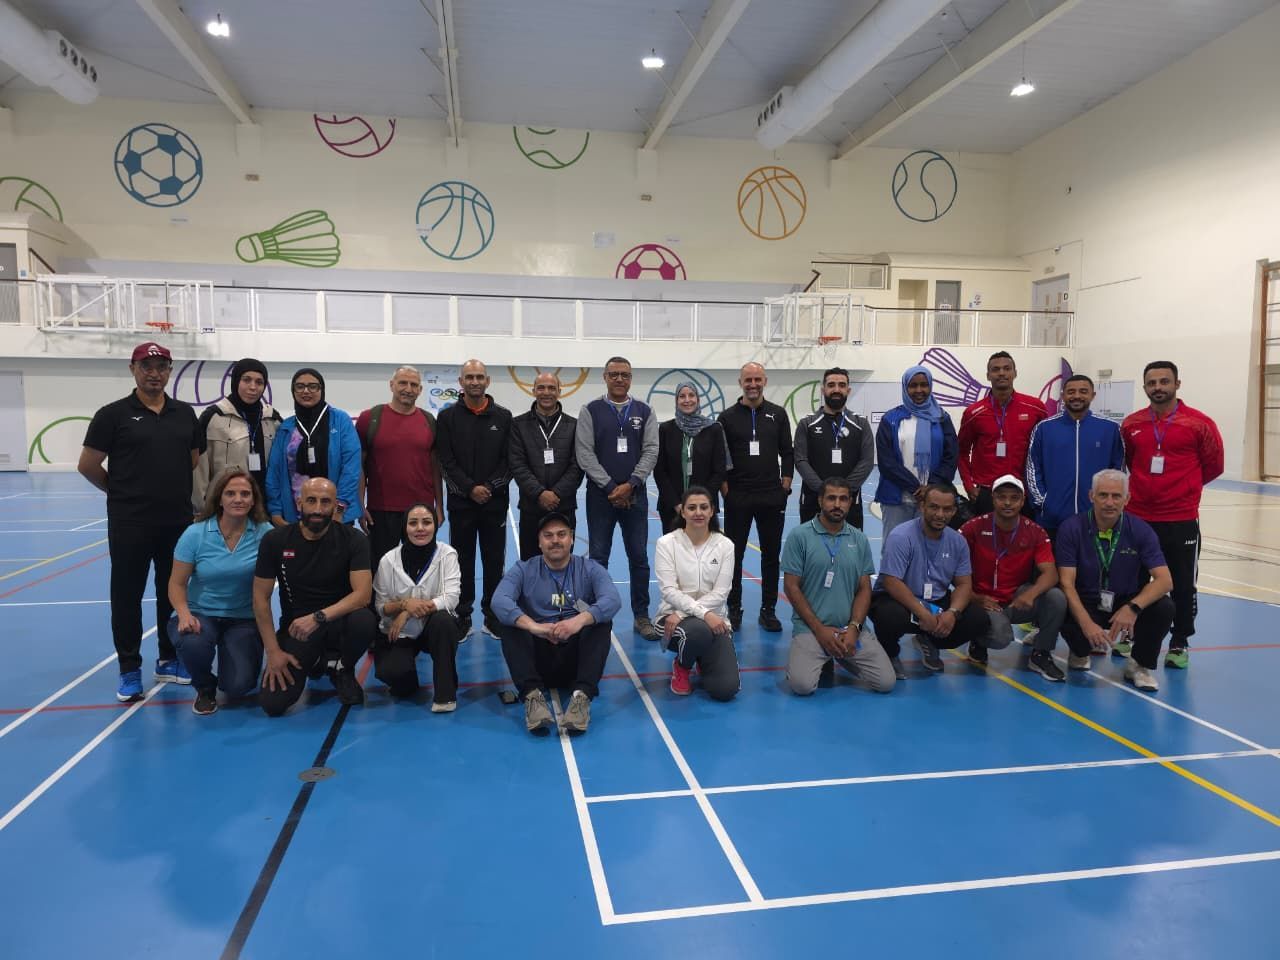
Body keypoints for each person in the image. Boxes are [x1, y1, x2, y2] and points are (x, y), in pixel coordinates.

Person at [78, 341, 203, 702]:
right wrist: (120, 492)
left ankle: (168, 658)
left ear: (169, 371)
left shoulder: (184, 414)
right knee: (127, 596)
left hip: (177, 521)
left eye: (161, 367)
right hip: (130, 523)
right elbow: (88, 465)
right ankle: (129, 668)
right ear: (133, 369)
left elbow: (192, 460)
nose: (154, 373)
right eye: (146, 366)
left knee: (172, 592)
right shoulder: (112, 415)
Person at [1121, 361, 1223, 669]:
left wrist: (1183, 490)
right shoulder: (1132, 424)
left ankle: (1180, 640)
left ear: (1177, 384)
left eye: (1164, 381)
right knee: (1133, 578)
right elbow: (1130, 461)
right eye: (1152, 383)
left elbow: (1214, 465)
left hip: (1180, 518)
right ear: (1144, 387)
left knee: (1181, 583)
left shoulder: (1199, 424)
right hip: (1138, 516)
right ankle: (1129, 632)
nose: (1158, 387)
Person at [253, 477, 376, 716]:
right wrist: (273, 652)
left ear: (335, 506)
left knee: (364, 620)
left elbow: (363, 595)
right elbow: (260, 599)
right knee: (273, 703)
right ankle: (320, 662)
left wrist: (318, 617)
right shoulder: (275, 541)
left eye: (325, 502)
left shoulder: (354, 539)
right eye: (311, 501)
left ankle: (342, 667)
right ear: (299, 503)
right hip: (298, 629)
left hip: (338, 622)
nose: (318, 509)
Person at [491, 512, 622, 735]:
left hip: (575, 658)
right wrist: (534, 626)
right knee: (510, 624)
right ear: (539, 542)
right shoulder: (523, 569)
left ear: (572, 538)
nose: (555, 540)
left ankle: (581, 698)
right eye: (548, 535)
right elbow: (499, 601)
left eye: (562, 534)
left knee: (600, 622)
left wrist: (578, 621)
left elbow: (612, 600)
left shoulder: (590, 569)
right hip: (538, 656)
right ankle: (533, 697)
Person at [1055, 470, 1176, 692]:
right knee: (1059, 601)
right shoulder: (1071, 528)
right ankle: (1079, 651)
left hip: (1124, 602)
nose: (1109, 502)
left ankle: (1139, 665)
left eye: (1116, 496)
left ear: (1127, 499)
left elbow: (1165, 581)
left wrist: (1133, 608)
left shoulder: (1141, 530)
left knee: (1164, 607)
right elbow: (1066, 583)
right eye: (1103, 495)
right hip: (1086, 602)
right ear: (1091, 496)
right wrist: (1086, 624)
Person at [168, 467, 271, 715]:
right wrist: (184, 614)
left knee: (237, 687)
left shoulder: (265, 533)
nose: (238, 499)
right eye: (230, 493)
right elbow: (177, 584)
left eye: (245, 494)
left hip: (244, 618)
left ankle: (241, 664)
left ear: (254, 500)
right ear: (219, 499)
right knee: (192, 643)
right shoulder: (195, 534)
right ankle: (205, 688)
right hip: (201, 614)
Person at [783, 478, 895, 696]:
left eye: (843, 499)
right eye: (831, 498)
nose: (837, 504)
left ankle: (838, 656)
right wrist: (819, 630)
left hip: (848, 630)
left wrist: (854, 627)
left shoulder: (859, 539)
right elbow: (791, 587)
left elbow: (864, 589)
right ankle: (819, 655)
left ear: (850, 502)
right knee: (802, 686)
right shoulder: (799, 536)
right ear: (820, 501)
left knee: (886, 683)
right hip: (811, 629)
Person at [575, 356, 660, 640]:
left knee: (639, 558)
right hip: (601, 497)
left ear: (631, 378)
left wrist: (631, 484)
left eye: (625, 374)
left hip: (636, 496)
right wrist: (612, 487)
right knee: (599, 557)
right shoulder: (590, 410)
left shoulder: (645, 411)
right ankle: (596, 615)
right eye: (614, 374)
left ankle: (641, 615)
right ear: (605, 377)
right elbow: (584, 453)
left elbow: (651, 450)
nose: (619, 379)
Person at [870, 484, 990, 677]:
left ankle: (931, 640)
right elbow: (891, 582)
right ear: (922, 506)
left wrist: (952, 613)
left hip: (936, 601)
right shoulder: (901, 536)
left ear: (954, 511)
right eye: (934, 507)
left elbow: (963, 584)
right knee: (889, 616)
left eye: (947, 509)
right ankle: (890, 653)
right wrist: (922, 613)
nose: (940, 514)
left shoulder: (957, 541)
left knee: (978, 619)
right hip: (902, 600)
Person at [959, 475, 1068, 682]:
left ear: (1023, 500)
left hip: (1015, 599)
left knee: (1056, 598)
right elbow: (951, 569)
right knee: (1001, 637)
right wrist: (973, 597)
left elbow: (1051, 573)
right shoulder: (973, 528)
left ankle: (1041, 654)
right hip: (982, 600)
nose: (1008, 503)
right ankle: (978, 640)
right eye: (1002, 497)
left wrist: (1031, 594)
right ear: (993, 499)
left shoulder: (1035, 532)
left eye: (1014, 498)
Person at [435, 359, 513, 639]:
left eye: (479, 377)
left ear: (487, 381)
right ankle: (463, 615)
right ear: (461, 382)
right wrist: (470, 489)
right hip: (461, 505)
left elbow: (509, 460)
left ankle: (493, 616)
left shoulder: (503, 417)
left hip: (494, 505)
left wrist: (489, 487)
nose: (475, 382)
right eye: (469, 377)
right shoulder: (447, 418)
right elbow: (445, 461)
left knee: (494, 562)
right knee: (462, 563)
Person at [717, 362, 794, 633]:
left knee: (771, 556)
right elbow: (720, 456)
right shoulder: (726, 417)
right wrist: (725, 490)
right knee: (734, 556)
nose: (753, 384)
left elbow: (787, 451)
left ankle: (768, 610)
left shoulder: (778, 414)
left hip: (771, 496)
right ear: (740, 383)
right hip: (738, 496)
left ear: (765, 381)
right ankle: (734, 608)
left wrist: (785, 485)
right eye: (748, 380)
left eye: (757, 379)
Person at [372, 503, 462, 711]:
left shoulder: (447, 554)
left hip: (433, 628)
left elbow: (451, 599)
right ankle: (407, 681)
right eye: (413, 523)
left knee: (445, 621)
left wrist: (406, 611)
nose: (420, 528)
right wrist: (404, 604)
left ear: (435, 526)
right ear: (405, 527)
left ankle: (445, 695)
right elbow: (380, 607)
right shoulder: (388, 561)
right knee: (393, 674)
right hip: (399, 631)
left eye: (426, 522)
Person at [654, 486, 739, 700]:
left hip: (710, 620)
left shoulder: (725, 545)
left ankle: (700, 655)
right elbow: (669, 591)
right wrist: (703, 614)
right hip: (670, 619)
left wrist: (686, 613)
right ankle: (682, 666)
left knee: (725, 689)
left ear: (712, 511)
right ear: (682, 512)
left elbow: (721, 593)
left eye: (703, 507)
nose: (698, 512)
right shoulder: (666, 543)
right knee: (698, 632)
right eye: (692, 508)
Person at [356, 366, 443, 569]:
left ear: (420, 390)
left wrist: (439, 506)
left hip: (421, 511)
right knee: (380, 570)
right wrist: (360, 505)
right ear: (392, 385)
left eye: (414, 385)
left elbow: (435, 468)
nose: (408, 389)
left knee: (421, 569)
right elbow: (359, 467)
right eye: (403, 383)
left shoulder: (429, 421)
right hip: (381, 511)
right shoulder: (370, 418)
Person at [1026, 374, 1124, 539]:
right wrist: (1044, 503)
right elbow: (1033, 468)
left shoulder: (1110, 428)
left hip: (1097, 518)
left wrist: (1108, 503)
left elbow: (1118, 470)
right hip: (1052, 519)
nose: (1077, 396)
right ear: (1063, 395)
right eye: (1071, 392)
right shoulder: (1044, 428)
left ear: (1093, 395)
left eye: (1083, 391)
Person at [874, 365, 958, 549]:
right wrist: (915, 488)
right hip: (896, 497)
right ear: (905, 387)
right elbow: (886, 461)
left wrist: (931, 487)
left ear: (930, 386)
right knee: (894, 547)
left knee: (928, 548)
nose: (919, 390)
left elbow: (951, 456)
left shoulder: (942, 418)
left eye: (923, 385)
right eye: (913, 385)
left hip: (932, 498)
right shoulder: (890, 419)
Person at [265, 368, 362, 528]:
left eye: (312, 386)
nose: (306, 391)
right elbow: (274, 472)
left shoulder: (340, 420)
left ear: (321, 389)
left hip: (336, 516)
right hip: (294, 517)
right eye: (300, 386)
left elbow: (351, 467)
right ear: (293, 391)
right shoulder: (286, 427)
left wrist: (339, 509)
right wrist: (275, 511)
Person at [957, 352, 1047, 515]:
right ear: (988, 375)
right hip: (987, 492)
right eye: (995, 369)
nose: (1001, 373)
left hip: (1024, 491)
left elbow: (1046, 450)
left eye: (1007, 368)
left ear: (1015, 373)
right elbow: (961, 452)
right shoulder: (974, 413)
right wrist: (969, 486)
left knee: (1024, 533)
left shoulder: (1036, 408)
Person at [509, 372, 583, 560]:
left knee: (563, 561)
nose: (546, 392)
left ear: (559, 391)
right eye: (541, 388)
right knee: (530, 563)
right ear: (533, 391)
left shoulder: (574, 425)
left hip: (564, 506)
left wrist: (556, 494)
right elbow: (517, 464)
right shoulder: (518, 425)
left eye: (551, 388)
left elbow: (577, 465)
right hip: (531, 507)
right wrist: (540, 493)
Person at [193, 357, 282, 513]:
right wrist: (202, 509)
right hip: (224, 509)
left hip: (263, 510)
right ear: (235, 381)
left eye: (259, 382)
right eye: (246, 380)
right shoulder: (213, 417)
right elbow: (199, 469)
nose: (253, 387)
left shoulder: (272, 419)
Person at [794, 367, 874, 529]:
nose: (836, 389)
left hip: (849, 501)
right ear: (823, 389)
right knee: (812, 544)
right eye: (831, 385)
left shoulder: (861, 424)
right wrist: (823, 491)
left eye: (842, 385)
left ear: (848, 390)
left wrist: (843, 492)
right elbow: (801, 460)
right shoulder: (807, 424)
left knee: (850, 544)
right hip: (813, 500)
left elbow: (867, 461)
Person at [654, 382, 728, 533]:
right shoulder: (665, 429)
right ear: (676, 401)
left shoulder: (713, 429)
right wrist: (677, 504)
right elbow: (660, 470)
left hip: (704, 510)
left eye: (691, 395)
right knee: (673, 548)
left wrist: (701, 504)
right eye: (682, 396)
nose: (687, 400)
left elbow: (719, 470)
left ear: (698, 399)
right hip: (672, 508)